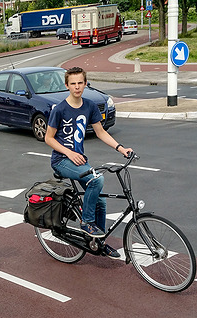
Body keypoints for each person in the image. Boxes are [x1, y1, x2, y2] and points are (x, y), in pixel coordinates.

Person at [44, 67, 133, 258]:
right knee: (97, 180)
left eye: (80, 83)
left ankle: (98, 242)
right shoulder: (59, 109)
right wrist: (69, 152)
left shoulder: (90, 106)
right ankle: (86, 223)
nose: (77, 87)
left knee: (100, 200)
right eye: (73, 83)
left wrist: (121, 148)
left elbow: (101, 132)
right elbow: (49, 138)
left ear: (85, 84)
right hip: (61, 160)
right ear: (67, 85)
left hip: (79, 161)